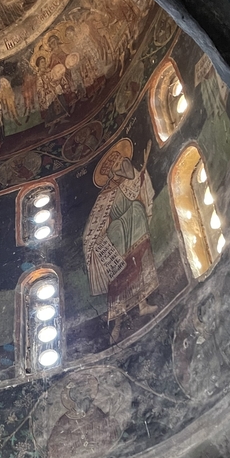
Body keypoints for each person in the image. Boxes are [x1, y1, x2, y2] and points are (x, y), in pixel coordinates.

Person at [83, 139, 158, 344]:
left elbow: (137, 188)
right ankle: (116, 325)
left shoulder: (128, 182)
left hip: (132, 230)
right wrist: (100, 238)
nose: (117, 168)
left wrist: (134, 172)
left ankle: (143, 304)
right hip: (117, 237)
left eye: (119, 163)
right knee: (119, 277)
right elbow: (95, 226)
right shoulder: (104, 196)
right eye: (113, 167)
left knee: (136, 211)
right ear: (108, 174)